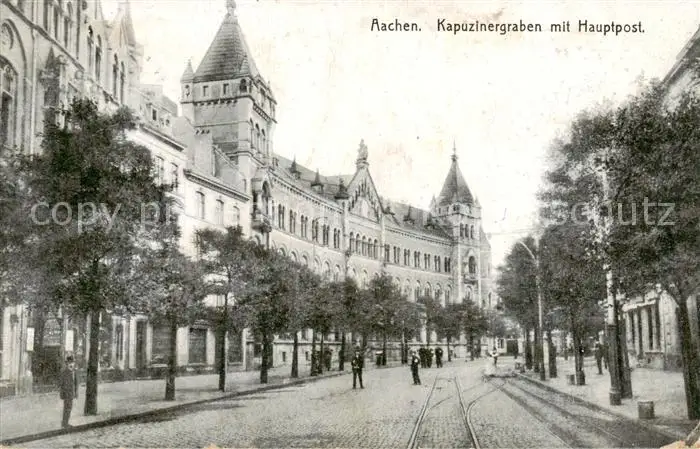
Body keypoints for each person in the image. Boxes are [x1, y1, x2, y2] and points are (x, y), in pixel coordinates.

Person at [59, 355, 78, 428]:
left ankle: (65, 422)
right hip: (66, 393)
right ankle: (65, 423)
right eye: (69, 362)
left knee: (69, 408)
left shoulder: (74, 371)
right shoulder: (64, 372)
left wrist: (76, 393)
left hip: (71, 393)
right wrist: (62, 394)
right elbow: (61, 384)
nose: (71, 364)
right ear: (66, 363)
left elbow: (76, 383)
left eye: (72, 362)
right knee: (67, 408)